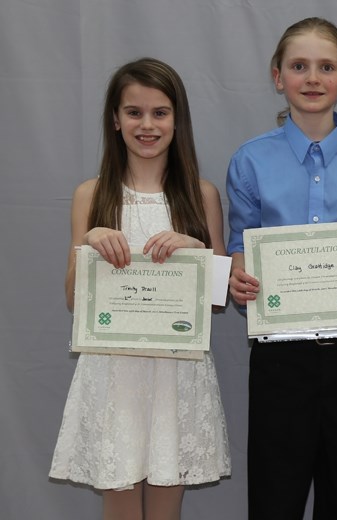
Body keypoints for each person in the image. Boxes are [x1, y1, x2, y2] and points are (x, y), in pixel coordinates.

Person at [225, 17, 337, 520]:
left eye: (326, 67)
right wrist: (239, 275)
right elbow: (241, 243)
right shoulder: (250, 161)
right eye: (299, 66)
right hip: (281, 359)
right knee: (275, 497)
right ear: (277, 76)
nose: (312, 78)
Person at [49, 58, 231, 519]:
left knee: (167, 508)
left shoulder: (201, 195)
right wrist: (86, 245)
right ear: (115, 119)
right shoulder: (91, 195)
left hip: (177, 373)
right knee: (121, 508)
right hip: (114, 374)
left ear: (178, 119)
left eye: (160, 112)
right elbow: (75, 300)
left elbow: (217, 298)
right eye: (134, 112)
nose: (147, 125)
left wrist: (195, 250)